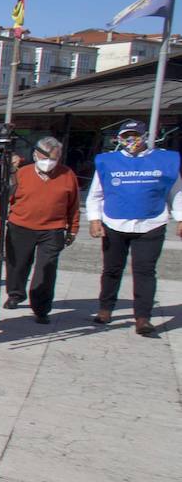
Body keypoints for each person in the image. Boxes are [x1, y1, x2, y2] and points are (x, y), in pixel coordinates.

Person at [86, 121, 182, 336]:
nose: (131, 141)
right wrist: (94, 220)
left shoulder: (164, 161)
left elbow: (176, 192)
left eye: (135, 136)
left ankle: (143, 317)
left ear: (146, 136)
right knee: (111, 269)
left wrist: (180, 218)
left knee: (145, 271)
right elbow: (96, 194)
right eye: (126, 136)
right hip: (115, 223)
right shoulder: (109, 162)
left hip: (151, 223)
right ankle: (105, 309)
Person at [0, 136, 80, 324]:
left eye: (54, 158)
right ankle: (15, 294)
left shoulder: (67, 174)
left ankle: (41, 307)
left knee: (46, 269)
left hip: (53, 229)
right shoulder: (21, 174)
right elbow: (1, 198)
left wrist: (73, 229)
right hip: (21, 225)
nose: (49, 162)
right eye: (46, 157)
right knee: (17, 264)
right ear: (36, 155)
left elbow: (74, 205)